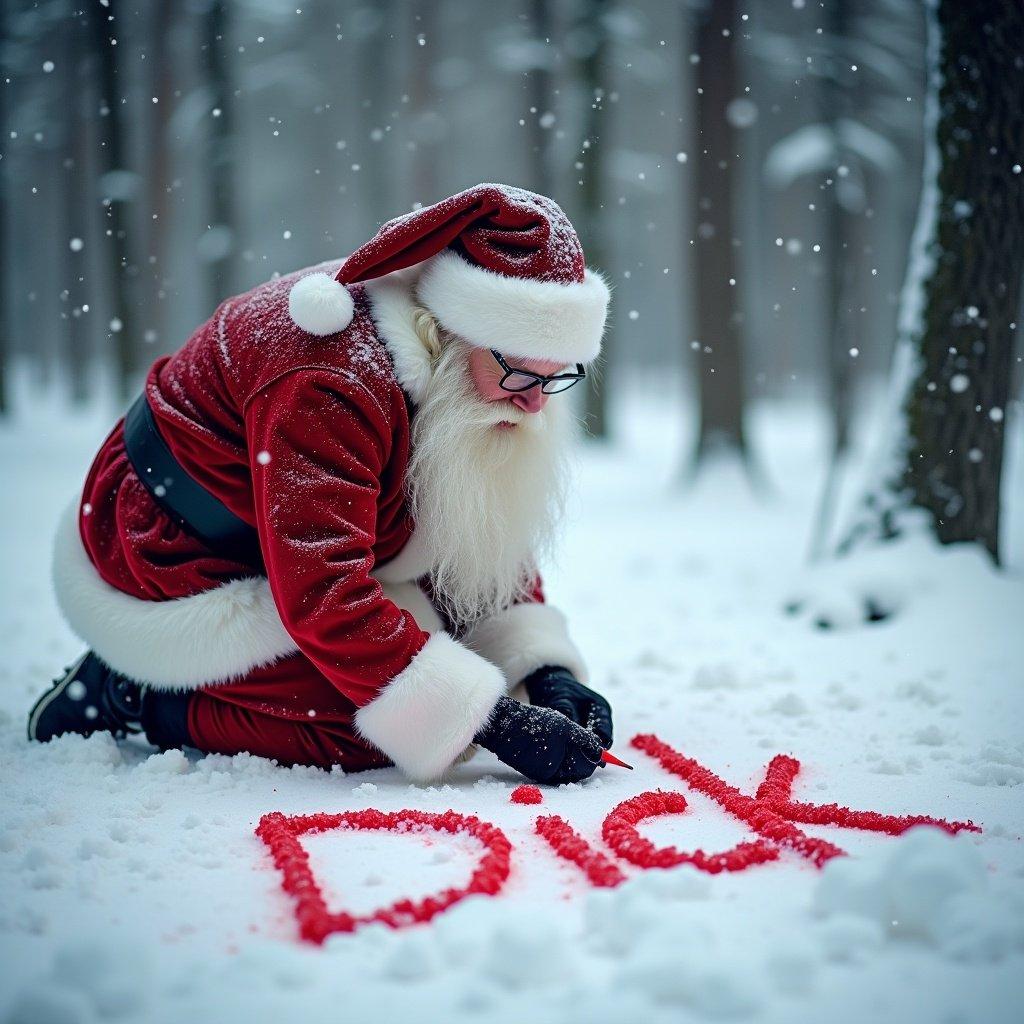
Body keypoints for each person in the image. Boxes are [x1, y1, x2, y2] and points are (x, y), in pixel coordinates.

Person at [28, 183, 614, 786]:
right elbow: (323, 588)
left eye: (557, 375)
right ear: (447, 330)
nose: (535, 402)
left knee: (422, 686)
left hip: (311, 531)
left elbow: (482, 529)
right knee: (368, 722)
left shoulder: (482, 375)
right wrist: (490, 723)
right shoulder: (329, 380)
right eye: (518, 370)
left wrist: (545, 675)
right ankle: (132, 694)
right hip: (174, 553)